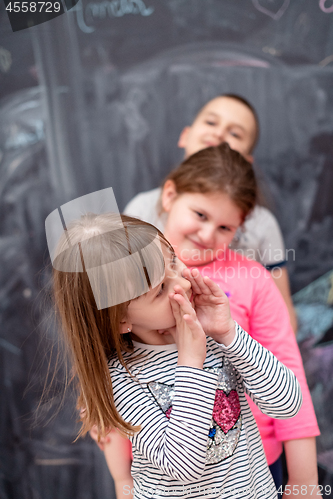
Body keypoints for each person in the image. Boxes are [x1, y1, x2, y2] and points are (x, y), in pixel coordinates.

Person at [99, 144, 319, 499]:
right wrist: (122, 480)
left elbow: (289, 395)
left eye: (225, 226)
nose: (206, 234)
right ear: (169, 195)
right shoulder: (124, 281)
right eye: (199, 215)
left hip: (254, 468)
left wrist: (229, 334)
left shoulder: (243, 289)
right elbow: (161, 450)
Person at [50, 210, 302, 499]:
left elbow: (287, 405)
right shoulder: (121, 379)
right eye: (160, 290)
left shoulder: (211, 335)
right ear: (120, 320)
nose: (181, 283)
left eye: (172, 261)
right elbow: (183, 465)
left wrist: (229, 334)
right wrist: (191, 363)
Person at [124, 94, 298, 333]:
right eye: (211, 123)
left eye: (235, 133)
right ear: (185, 135)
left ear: (246, 162)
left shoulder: (263, 224)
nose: (219, 134)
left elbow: (281, 313)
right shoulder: (142, 208)